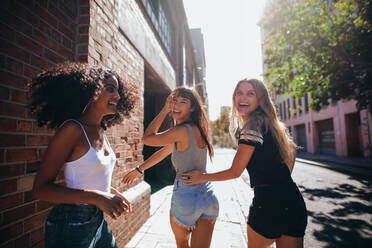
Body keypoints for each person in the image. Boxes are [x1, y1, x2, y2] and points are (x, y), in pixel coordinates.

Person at [181, 79, 307, 248]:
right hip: (292, 200)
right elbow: (291, 150)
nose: (243, 97)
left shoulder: (251, 127)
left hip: (268, 204)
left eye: (250, 93)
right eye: (239, 92)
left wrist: (201, 177)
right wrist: (279, 179)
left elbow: (235, 172)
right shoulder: (273, 125)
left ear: (260, 99)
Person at [27, 62, 136, 248]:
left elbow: (87, 176)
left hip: (96, 219)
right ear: (91, 91)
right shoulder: (72, 129)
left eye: (118, 91)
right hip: (71, 223)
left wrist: (110, 192)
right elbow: (40, 189)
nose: (117, 96)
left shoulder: (101, 130)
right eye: (110, 89)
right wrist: (98, 197)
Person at [122, 87, 219, 248]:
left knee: (182, 244)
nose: (176, 105)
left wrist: (164, 110)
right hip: (208, 197)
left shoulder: (181, 131)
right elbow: (163, 152)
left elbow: (147, 138)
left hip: (186, 196)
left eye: (183, 102)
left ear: (192, 107)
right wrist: (139, 169)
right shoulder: (198, 129)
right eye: (174, 101)